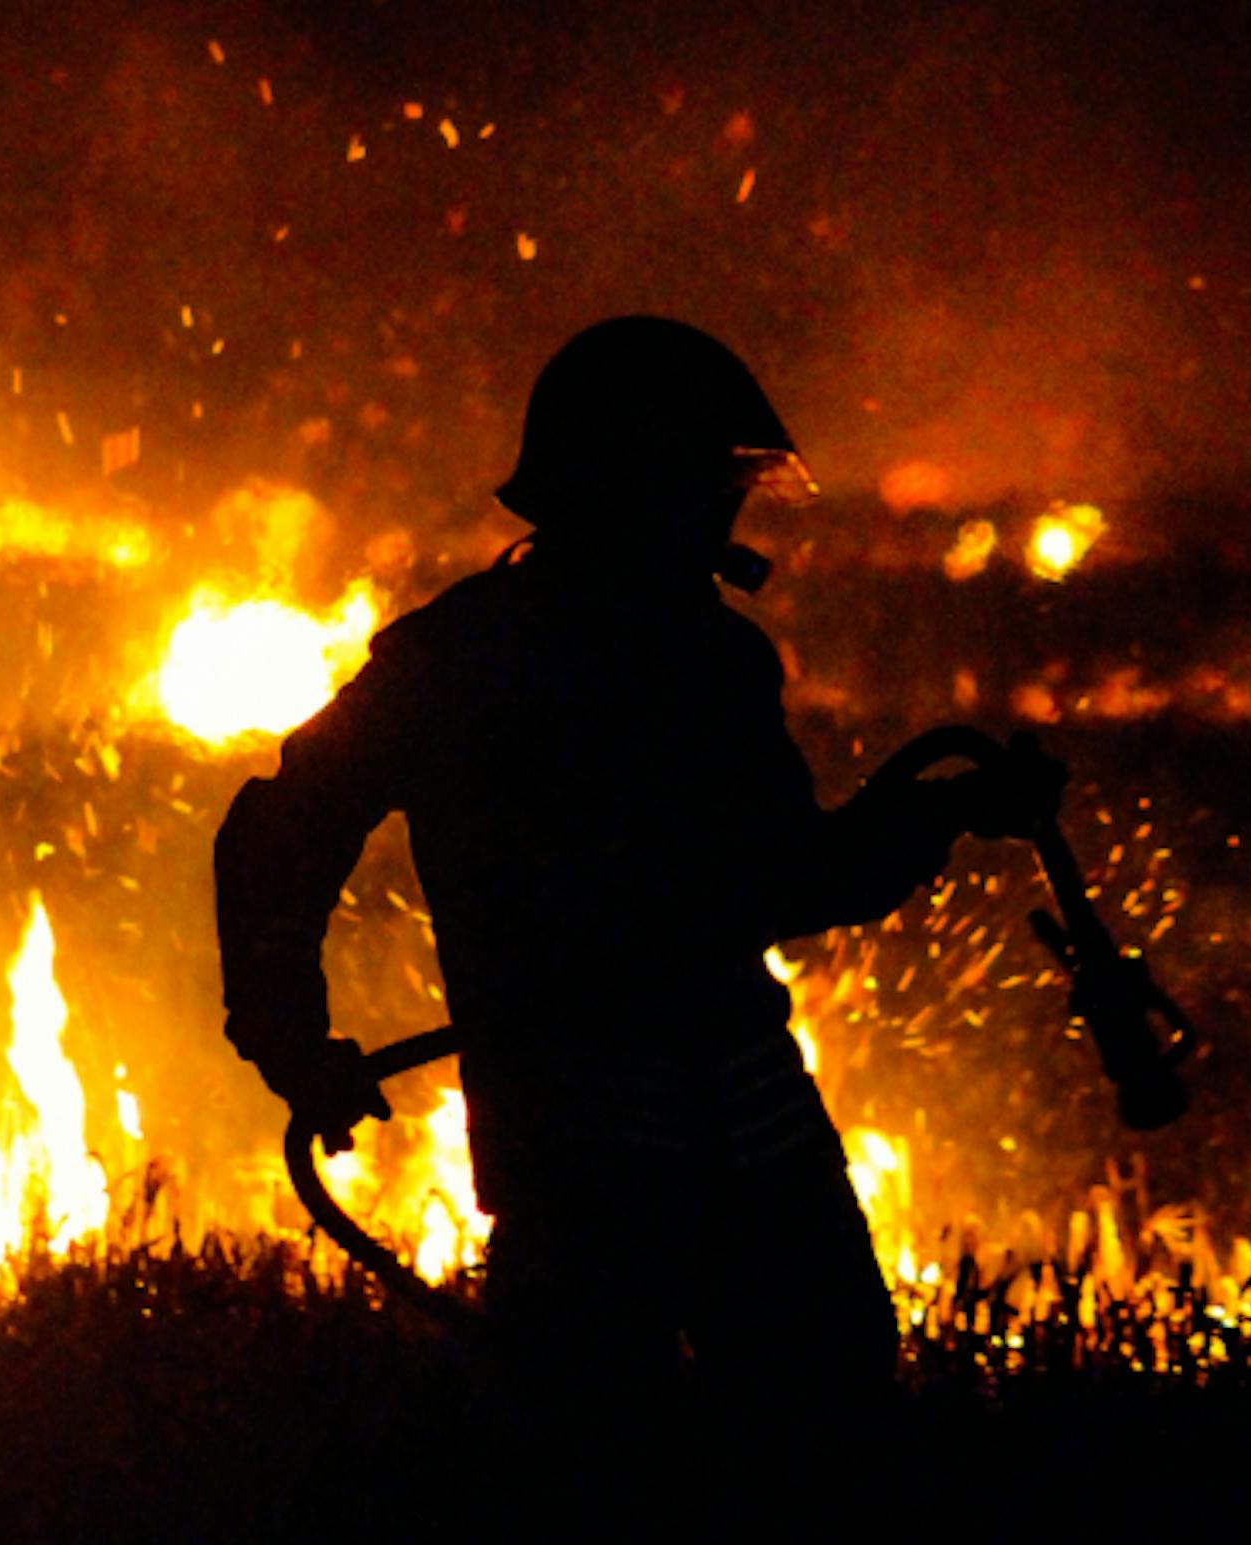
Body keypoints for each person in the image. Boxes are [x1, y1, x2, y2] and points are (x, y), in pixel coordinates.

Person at [213, 316, 1059, 1411]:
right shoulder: (499, 663)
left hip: (714, 1137)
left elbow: (783, 875)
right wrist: (289, 1037)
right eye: (702, 488)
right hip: (610, 1157)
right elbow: (790, 878)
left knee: (767, 1433)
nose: (724, 517)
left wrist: (950, 813)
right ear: (624, 487)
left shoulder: (665, 656)